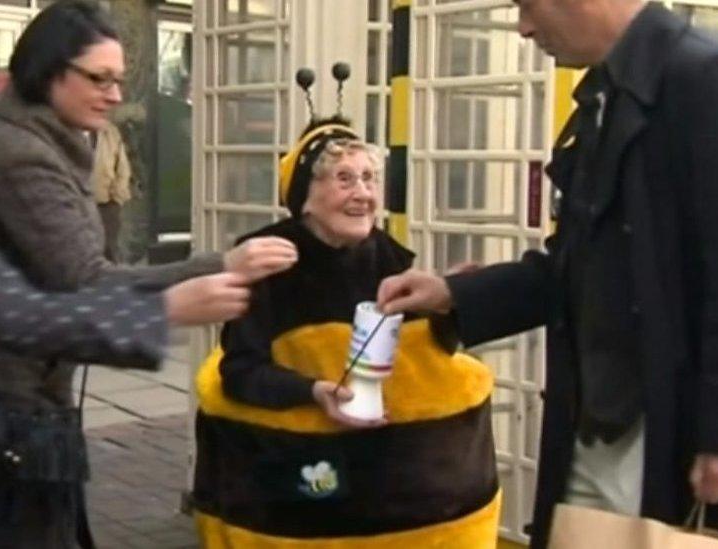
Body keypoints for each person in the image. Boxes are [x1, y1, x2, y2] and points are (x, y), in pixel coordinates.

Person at [377, 2, 718, 548]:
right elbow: (581, 267)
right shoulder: (606, 96)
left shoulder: (713, 85)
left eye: (528, 4)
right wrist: (454, 292)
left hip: (678, 438)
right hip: (605, 428)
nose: (523, 26)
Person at [0, 1, 264, 547]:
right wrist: (176, 300)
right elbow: (38, 304)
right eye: (100, 78)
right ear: (50, 71)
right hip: (0, 411)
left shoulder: (33, 140)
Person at [193, 110, 500, 548]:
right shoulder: (269, 261)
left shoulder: (390, 258)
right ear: (305, 196)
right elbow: (240, 371)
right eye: (345, 179)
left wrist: (451, 303)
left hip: (386, 491)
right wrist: (313, 391)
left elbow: (422, 358)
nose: (364, 194)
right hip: (299, 493)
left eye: (370, 179)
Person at [92, 120, 131, 262]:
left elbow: (122, 167)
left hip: (106, 202)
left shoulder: (110, 132)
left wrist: (116, 198)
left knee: (110, 250)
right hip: (75, 202)